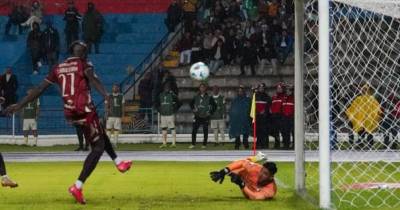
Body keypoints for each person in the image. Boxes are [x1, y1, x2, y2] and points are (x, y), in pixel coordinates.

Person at [4, 41, 132, 204]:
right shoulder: (84, 64)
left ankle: (118, 162)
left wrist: (19, 104)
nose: (85, 53)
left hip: (70, 112)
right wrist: (106, 95)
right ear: (82, 53)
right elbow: (93, 79)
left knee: (100, 131)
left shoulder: (58, 68)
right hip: (84, 109)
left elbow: (39, 89)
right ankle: (77, 186)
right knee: (98, 148)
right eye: (84, 50)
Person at [210, 155, 278, 200]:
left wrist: (241, 183)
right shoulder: (256, 169)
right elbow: (242, 162)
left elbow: (254, 197)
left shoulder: (270, 190)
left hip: (246, 182)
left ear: (271, 177)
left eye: (265, 174)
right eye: (262, 171)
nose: (261, 174)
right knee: (242, 163)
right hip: (245, 174)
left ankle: (258, 157)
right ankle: (257, 157)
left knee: (242, 171)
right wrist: (224, 171)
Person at [345, 83, 382, 150]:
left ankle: (369, 145)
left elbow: (377, 109)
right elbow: (353, 108)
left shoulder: (371, 99)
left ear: (368, 90)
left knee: (369, 132)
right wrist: (349, 114)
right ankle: (361, 144)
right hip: (361, 119)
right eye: (362, 89)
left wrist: (378, 115)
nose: (363, 91)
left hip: (368, 119)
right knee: (361, 132)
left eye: (365, 89)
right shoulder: (359, 98)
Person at [189, 83, 217, 149]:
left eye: (203, 87)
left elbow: (215, 106)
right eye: (201, 87)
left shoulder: (209, 97)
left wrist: (210, 112)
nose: (202, 88)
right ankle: (193, 144)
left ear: (205, 89)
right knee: (194, 131)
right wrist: (193, 109)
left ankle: (204, 144)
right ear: (199, 88)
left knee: (205, 130)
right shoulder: (196, 97)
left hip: (205, 116)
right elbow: (191, 104)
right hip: (197, 116)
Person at [155, 83, 181, 148]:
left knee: (172, 128)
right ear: (164, 88)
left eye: (168, 86)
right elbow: (156, 104)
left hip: (170, 114)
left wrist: (174, 109)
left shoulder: (172, 95)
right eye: (166, 86)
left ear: (169, 88)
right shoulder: (160, 95)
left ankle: (173, 143)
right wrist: (159, 110)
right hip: (163, 114)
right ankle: (164, 143)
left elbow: (179, 102)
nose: (167, 88)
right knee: (164, 128)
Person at [229, 85, 251, 150]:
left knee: (245, 133)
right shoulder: (235, 100)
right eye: (239, 91)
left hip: (245, 119)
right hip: (237, 120)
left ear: (244, 91)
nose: (240, 92)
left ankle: (246, 145)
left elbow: (250, 109)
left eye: (241, 91)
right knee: (237, 134)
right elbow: (232, 110)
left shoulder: (248, 100)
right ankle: (237, 144)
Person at [255, 83, 271, 149]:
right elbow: (253, 106)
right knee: (258, 131)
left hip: (264, 117)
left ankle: (265, 144)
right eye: (260, 87)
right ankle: (258, 144)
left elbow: (269, 106)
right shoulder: (255, 96)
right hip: (257, 116)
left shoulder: (267, 97)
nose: (261, 89)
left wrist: (265, 111)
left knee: (264, 131)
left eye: (262, 87)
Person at [270, 83, 287, 149]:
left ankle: (285, 144)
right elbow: (272, 105)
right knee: (275, 131)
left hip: (282, 116)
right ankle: (277, 144)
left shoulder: (285, 96)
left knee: (283, 131)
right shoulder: (274, 97)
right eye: (278, 88)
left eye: (280, 88)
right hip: (275, 116)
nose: (279, 89)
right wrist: (271, 110)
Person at [282, 84, 294, 149]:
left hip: (291, 117)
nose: (287, 91)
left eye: (289, 90)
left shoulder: (293, 98)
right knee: (285, 132)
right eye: (287, 90)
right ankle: (286, 144)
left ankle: (294, 145)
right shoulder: (284, 98)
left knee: (293, 132)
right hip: (285, 117)